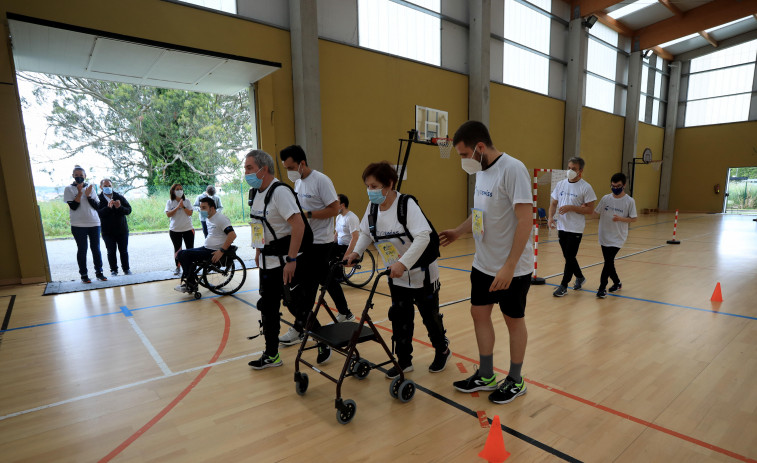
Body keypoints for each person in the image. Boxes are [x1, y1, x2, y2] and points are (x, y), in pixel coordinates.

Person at [440, 121, 532, 405]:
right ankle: (487, 374)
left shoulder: (513, 169)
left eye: (464, 154)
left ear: (480, 147)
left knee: (512, 321)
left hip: (511, 268)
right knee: (479, 314)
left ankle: (516, 379)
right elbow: (480, 213)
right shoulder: (481, 171)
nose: (463, 161)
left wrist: (509, 266)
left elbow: (526, 220)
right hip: (482, 263)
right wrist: (459, 230)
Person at [346, 161, 450, 378]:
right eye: (368, 186)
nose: (370, 191)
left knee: (430, 317)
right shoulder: (373, 207)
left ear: (390, 184)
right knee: (400, 318)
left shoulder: (406, 204)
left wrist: (404, 264)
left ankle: (442, 349)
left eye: (374, 186)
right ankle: (404, 360)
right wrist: (356, 252)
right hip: (396, 275)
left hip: (422, 273)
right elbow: (366, 232)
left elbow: (423, 236)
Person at [245, 149, 330, 370]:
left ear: (263, 170)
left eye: (249, 168)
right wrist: (258, 250)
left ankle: (322, 341)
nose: (246, 173)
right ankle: (271, 354)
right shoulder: (255, 192)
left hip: (286, 262)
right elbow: (258, 225)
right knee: (268, 307)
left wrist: (292, 259)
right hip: (267, 261)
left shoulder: (280, 192)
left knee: (297, 307)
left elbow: (298, 225)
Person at [279, 145, 354, 343]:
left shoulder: (321, 180)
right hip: (306, 241)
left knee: (307, 287)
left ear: (302, 163)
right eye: (286, 168)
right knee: (324, 278)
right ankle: (345, 313)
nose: (289, 172)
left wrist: (308, 215)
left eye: (291, 167)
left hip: (321, 242)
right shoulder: (298, 184)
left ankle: (300, 327)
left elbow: (334, 209)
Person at [548, 157, 597, 297]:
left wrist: (571, 207)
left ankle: (564, 285)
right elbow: (553, 203)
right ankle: (580, 277)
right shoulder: (561, 184)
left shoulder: (586, 187)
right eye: (569, 168)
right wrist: (551, 217)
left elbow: (589, 210)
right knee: (568, 257)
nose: (570, 171)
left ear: (580, 171)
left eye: (573, 169)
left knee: (569, 256)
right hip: (562, 226)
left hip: (575, 228)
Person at [175, 196, 236, 293]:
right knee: (180, 254)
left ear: (212, 208)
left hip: (213, 252)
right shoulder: (208, 218)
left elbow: (232, 235)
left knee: (185, 255)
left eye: (204, 207)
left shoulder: (221, 218)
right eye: (200, 207)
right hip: (206, 248)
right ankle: (191, 281)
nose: (201, 210)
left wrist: (221, 251)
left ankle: (190, 284)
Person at [592, 173, 637, 298]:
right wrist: (585, 208)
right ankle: (617, 283)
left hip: (618, 237)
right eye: (612, 185)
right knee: (609, 262)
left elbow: (634, 219)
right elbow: (595, 213)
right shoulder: (606, 198)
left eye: (618, 186)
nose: (615, 188)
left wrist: (621, 219)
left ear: (624, 185)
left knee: (608, 262)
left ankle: (602, 288)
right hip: (604, 235)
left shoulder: (629, 201)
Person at [63, 165, 107, 283]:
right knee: (82, 249)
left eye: (81, 175)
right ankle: (84, 275)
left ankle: (99, 272)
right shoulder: (68, 189)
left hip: (94, 222)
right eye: (76, 175)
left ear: (85, 176)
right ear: (73, 176)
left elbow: (97, 206)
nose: (79, 177)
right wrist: (79, 192)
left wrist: (88, 196)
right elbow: (73, 206)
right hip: (78, 224)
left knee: (96, 249)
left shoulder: (90, 188)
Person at [97, 178, 132, 276]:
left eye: (109, 186)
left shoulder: (119, 197)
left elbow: (129, 210)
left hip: (122, 230)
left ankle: (126, 269)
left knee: (124, 251)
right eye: (105, 186)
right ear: (101, 187)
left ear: (112, 186)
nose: (107, 188)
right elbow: (98, 213)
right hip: (107, 232)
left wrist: (119, 207)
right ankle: (114, 270)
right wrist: (108, 208)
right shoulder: (98, 199)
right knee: (111, 252)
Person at [165, 184, 195, 276]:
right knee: (178, 250)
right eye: (177, 189)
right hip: (175, 230)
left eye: (181, 189)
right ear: (173, 191)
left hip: (188, 229)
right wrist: (178, 207)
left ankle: (191, 267)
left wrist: (183, 207)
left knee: (190, 249)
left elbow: (190, 213)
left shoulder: (187, 201)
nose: (180, 191)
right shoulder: (170, 202)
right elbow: (168, 214)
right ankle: (178, 267)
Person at [334, 194, 360, 259]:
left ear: (342, 205)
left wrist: (347, 254)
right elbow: (336, 235)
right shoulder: (338, 217)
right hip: (339, 246)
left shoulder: (351, 218)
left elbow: (355, 238)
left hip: (347, 247)